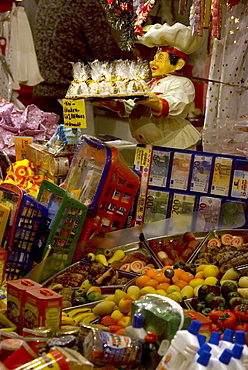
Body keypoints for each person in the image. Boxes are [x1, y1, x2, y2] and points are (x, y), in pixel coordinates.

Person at [95, 22, 205, 149]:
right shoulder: (152, 83)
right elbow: (136, 106)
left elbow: (173, 106)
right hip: (149, 147)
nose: (153, 62)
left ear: (178, 64)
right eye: (154, 58)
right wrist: (112, 103)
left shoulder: (182, 83)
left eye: (160, 58)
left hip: (174, 145)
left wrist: (150, 100)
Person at [32, 0, 130, 123]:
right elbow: (105, 52)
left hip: (42, 96)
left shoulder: (45, 2)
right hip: (69, 102)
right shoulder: (85, 4)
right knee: (74, 142)